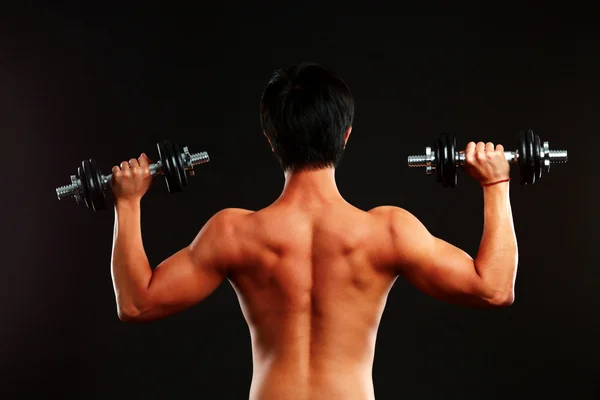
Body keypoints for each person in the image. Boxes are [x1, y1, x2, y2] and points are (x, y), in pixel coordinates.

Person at [109, 62, 518, 400]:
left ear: (271, 140)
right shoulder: (388, 231)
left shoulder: (233, 233)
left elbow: (137, 303)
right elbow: (495, 288)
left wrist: (127, 203)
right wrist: (495, 185)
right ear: (345, 135)